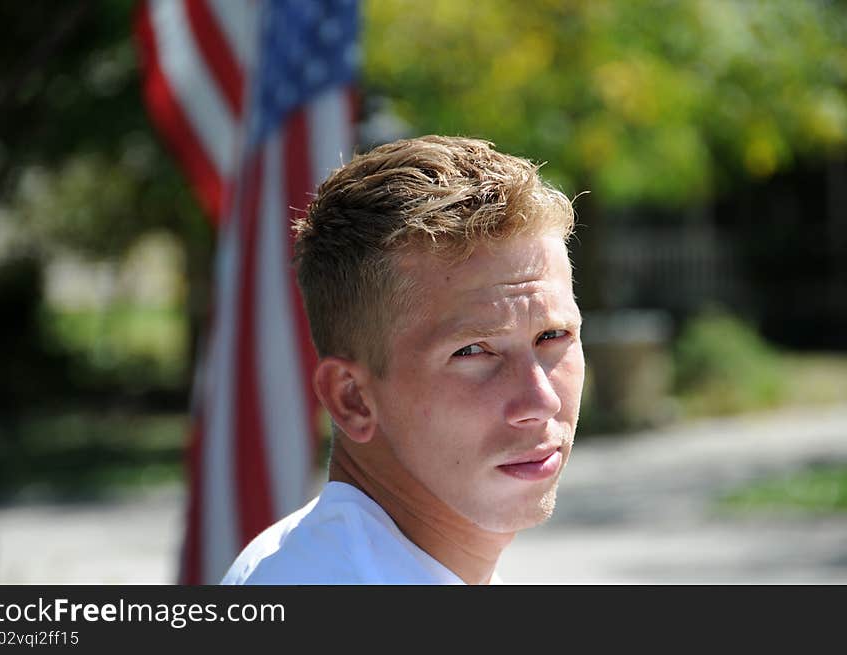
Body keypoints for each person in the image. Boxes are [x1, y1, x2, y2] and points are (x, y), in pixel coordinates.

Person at [221, 135, 585, 585]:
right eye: (473, 351)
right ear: (352, 398)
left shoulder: (308, 551)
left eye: (554, 335)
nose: (540, 400)